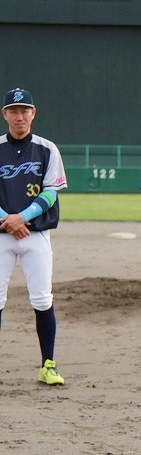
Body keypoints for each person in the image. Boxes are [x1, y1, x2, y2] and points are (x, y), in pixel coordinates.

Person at [0, 88, 68, 385]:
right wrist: (8, 220)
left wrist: (21, 217)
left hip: (35, 234)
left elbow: (51, 192)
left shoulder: (47, 149)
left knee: (42, 299)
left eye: (24, 110)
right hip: (2, 235)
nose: (20, 116)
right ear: (5, 115)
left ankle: (48, 365)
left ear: (33, 113)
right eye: (14, 111)